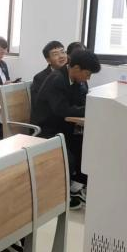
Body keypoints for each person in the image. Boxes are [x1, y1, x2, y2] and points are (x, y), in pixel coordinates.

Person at [31, 49, 101, 209]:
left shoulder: (75, 80)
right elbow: (62, 110)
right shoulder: (57, 80)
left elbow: (80, 102)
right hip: (46, 129)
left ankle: (76, 186)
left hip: (63, 127)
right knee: (68, 157)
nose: (88, 78)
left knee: (87, 146)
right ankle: (61, 196)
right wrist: (90, 109)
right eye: (87, 74)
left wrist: (91, 106)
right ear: (76, 68)